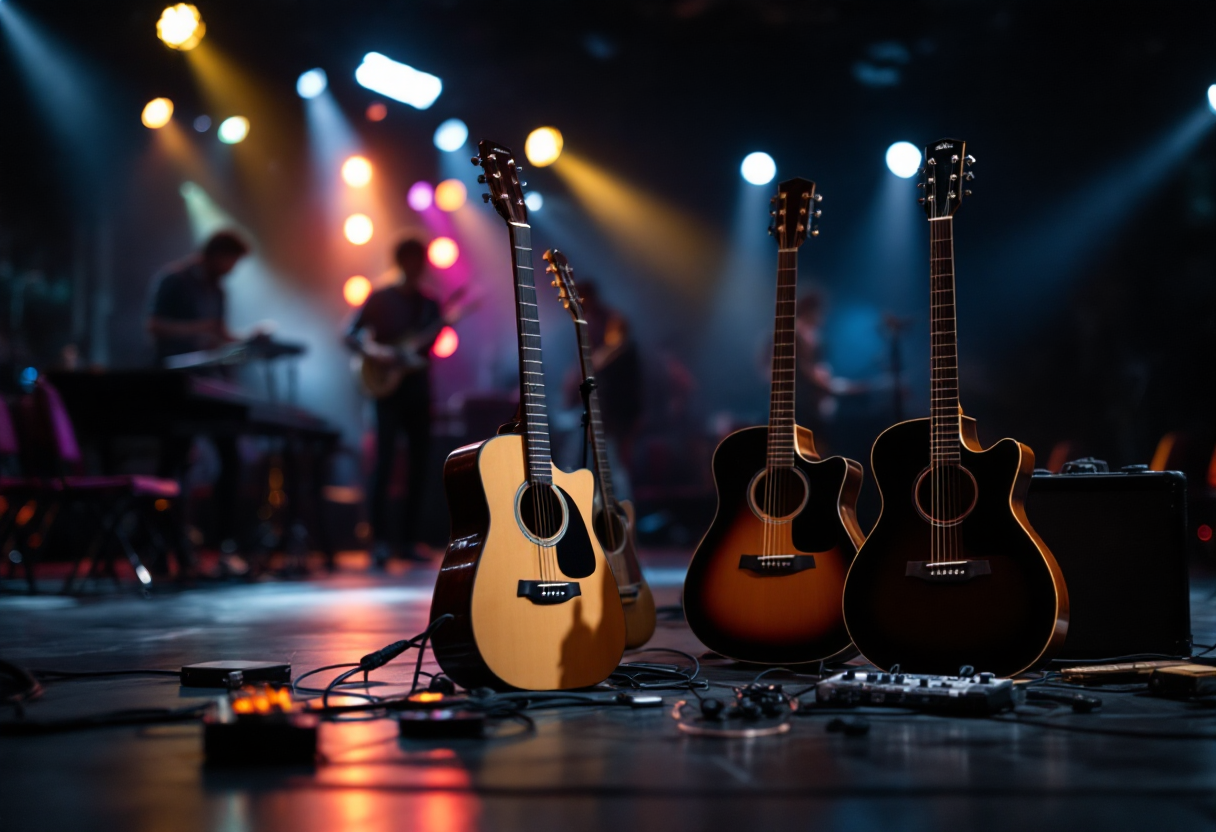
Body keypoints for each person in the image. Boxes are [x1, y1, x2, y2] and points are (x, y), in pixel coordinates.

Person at [146, 230, 251, 561]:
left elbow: (220, 336)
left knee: (230, 458)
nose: (232, 270)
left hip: (208, 387)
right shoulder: (174, 279)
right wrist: (198, 331)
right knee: (172, 463)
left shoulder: (218, 290)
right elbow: (154, 325)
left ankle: (224, 546)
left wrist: (249, 341)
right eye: (230, 262)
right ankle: (161, 543)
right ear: (216, 254)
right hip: (175, 387)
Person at [345, 237, 442, 566]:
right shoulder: (380, 297)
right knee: (383, 464)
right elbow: (351, 334)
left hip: (417, 390)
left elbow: (427, 349)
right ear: (400, 261)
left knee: (419, 466)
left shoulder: (430, 304)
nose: (418, 266)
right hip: (385, 393)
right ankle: (380, 542)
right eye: (412, 259)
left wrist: (414, 357)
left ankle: (411, 541)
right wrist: (377, 352)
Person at [563, 281, 642, 496]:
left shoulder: (613, 320)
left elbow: (610, 353)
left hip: (615, 409)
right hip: (601, 407)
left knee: (613, 465)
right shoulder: (591, 322)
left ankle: (623, 516)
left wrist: (583, 372)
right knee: (588, 461)